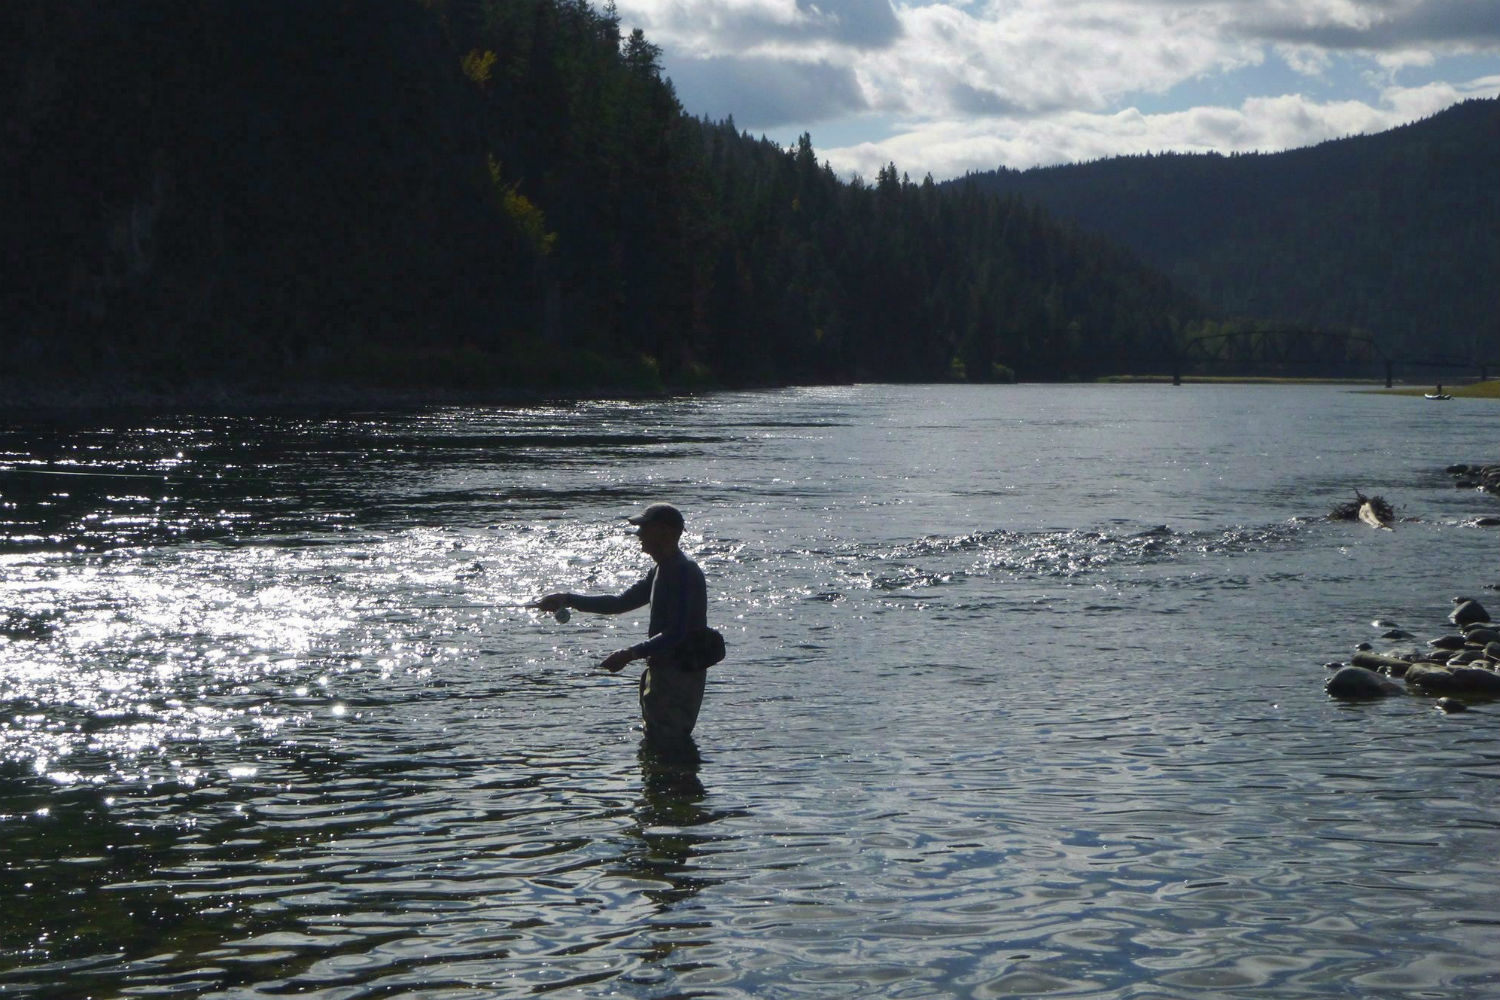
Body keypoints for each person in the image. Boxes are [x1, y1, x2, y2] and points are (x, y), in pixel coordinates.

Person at [536, 502, 709, 745]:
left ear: (666, 532)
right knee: (656, 742)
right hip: (662, 670)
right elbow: (619, 603)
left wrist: (630, 653)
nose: (638, 534)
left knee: (669, 745)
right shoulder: (662, 569)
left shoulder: (684, 572)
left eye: (644, 528)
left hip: (680, 674)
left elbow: (677, 633)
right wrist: (567, 599)